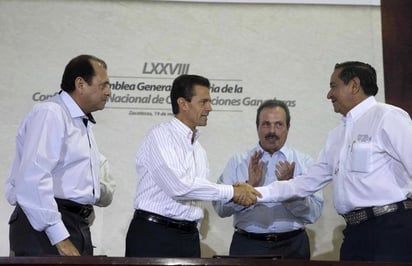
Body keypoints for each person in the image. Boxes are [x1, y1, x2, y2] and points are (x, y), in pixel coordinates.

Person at [254, 61, 412, 262]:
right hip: (354, 233)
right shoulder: (336, 135)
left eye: (333, 86)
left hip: (391, 230)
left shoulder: (388, 117)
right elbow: (306, 182)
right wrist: (257, 193)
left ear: (354, 85)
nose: (329, 94)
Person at [125, 74, 261, 258]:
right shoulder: (160, 136)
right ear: (183, 103)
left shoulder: (199, 150)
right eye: (203, 102)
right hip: (154, 235)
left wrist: (239, 191)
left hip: (188, 238)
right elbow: (179, 187)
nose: (209, 108)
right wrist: (232, 191)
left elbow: (194, 195)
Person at [5, 54, 112, 256]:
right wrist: (60, 239)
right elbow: (34, 180)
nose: (109, 92)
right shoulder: (50, 113)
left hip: (72, 224)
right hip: (44, 229)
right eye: (103, 85)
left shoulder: (80, 121)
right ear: (80, 84)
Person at [213, 99, 323, 259]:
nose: (272, 130)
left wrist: (289, 189)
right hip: (248, 246)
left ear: (288, 127)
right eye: (266, 124)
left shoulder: (305, 162)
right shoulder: (238, 161)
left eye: (279, 124)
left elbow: (314, 213)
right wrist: (249, 186)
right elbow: (221, 209)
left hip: (293, 246)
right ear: (257, 127)